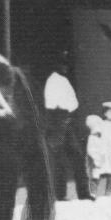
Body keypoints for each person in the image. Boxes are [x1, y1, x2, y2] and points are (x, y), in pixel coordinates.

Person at [44, 52, 93, 201]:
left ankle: (83, 192)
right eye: (62, 64)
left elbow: (73, 103)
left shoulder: (61, 80)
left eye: (66, 64)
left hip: (66, 120)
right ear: (57, 66)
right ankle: (62, 194)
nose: (65, 67)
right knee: (60, 160)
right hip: (58, 120)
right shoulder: (54, 81)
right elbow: (58, 104)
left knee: (76, 157)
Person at [86, 102, 111, 197]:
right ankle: (92, 194)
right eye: (109, 111)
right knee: (96, 174)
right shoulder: (100, 124)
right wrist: (96, 154)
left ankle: (108, 195)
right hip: (102, 154)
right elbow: (94, 139)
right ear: (105, 113)